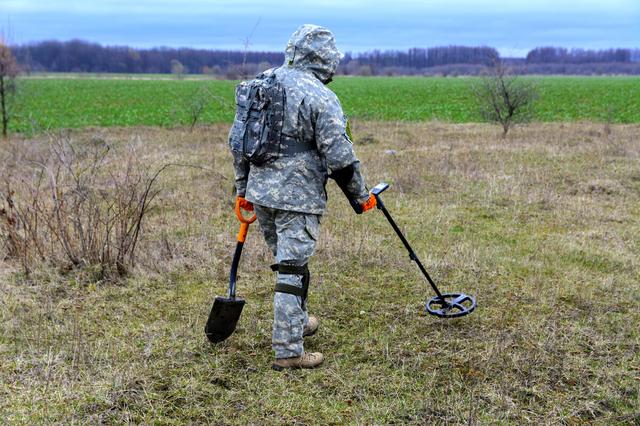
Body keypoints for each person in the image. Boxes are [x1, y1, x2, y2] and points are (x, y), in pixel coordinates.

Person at [229, 24, 376, 370]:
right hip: (298, 199)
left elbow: (239, 144)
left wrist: (242, 190)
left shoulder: (260, 83)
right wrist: (361, 197)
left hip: (261, 195)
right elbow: (340, 156)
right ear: (323, 59)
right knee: (292, 270)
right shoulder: (320, 96)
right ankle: (288, 351)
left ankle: (296, 322)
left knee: (287, 264)